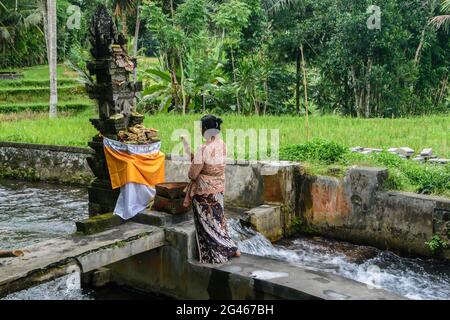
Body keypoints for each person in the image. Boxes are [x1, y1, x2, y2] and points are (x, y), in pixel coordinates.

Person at [182, 115, 240, 264]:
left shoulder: (203, 148)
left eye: (201, 127)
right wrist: (189, 149)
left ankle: (217, 254)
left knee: (209, 225)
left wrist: (191, 156)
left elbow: (193, 174)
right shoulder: (222, 144)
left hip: (204, 192)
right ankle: (232, 247)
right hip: (218, 188)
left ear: (205, 129)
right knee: (219, 220)